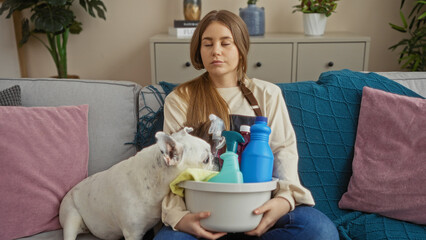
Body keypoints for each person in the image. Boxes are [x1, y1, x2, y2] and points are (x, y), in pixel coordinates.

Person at [154, 9, 339, 240]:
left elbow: (284, 151)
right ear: (199, 51)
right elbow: (171, 168)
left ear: (241, 48)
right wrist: (179, 217)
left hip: (258, 209)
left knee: (320, 232)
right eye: (208, 44)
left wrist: (284, 200)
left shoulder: (268, 95)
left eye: (226, 43)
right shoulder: (180, 99)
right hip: (202, 212)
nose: (216, 51)